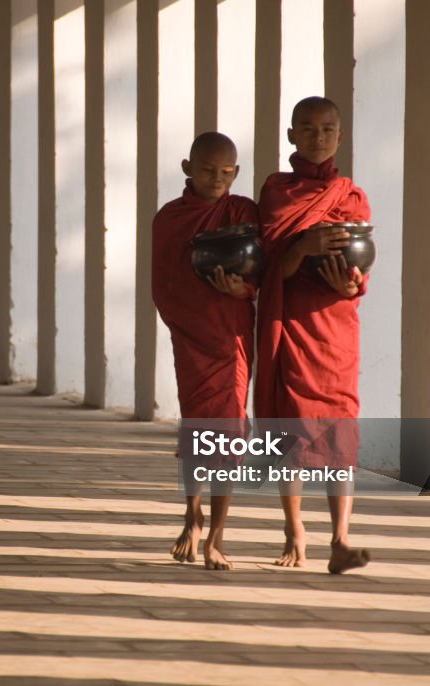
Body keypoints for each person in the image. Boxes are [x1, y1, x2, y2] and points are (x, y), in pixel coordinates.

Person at [255, 96, 372, 574]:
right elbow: (267, 271)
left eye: (327, 129)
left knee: (340, 429)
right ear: (291, 136)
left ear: (339, 137)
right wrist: (302, 247)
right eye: (307, 128)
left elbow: (361, 268)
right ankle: (294, 530)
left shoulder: (351, 195)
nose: (317, 137)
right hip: (294, 322)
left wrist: (351, 284)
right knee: (292, 429)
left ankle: (341, 538)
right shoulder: (277, 192)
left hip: (336, 325)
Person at [152, 132, 258, 571]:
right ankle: (191, 514)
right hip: (192, 337)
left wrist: (244, 288)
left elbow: (264, 268)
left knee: (228, 434)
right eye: (207, 170)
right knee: (199, 429)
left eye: (227, 172)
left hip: (232, 334)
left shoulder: (242, 212)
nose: (217, 179)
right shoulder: (170, 218)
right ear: (187, 168)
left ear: (236, 172)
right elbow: (163, 282)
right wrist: (183, 322)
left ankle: (216, 534)